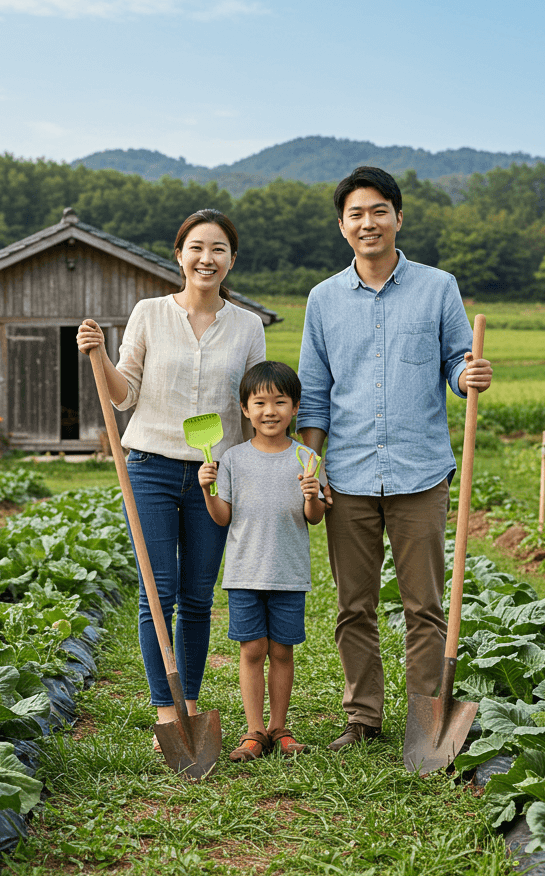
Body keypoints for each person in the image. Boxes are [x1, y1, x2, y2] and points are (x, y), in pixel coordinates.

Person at [296, 165, 492, 751]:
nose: (368, 222)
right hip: (349, 473)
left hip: (419, 470)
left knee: (423, 605)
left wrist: (468, 373)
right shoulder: (323, 300)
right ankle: (363, 718)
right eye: (356, 213)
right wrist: (310, 468)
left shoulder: (437, 287)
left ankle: (425, 720)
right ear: (342, 226)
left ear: (398, 217)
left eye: (379, 210)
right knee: (353, 606)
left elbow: (457, 360)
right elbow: (313, 390)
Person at [76, 208, 266, 746]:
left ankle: (191, 701)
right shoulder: (149, 313)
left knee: (199, 595)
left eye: (219, 249)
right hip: (151, 467)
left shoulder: (248, 326)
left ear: (232, 260)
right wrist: (99, 356)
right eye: (197, 248)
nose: (207, 258)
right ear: (179, 255)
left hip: (215, 473)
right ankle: (165, 709)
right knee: (157, 593)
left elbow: (252, 404)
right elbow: (123, 393)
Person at [198, 361, 325, 761]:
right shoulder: (233, 459)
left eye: (280, 402)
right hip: (245, 572)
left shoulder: (307, 458)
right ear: (244, 409)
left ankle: (279, 728)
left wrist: (312, 494)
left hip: (289, 572)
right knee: (252, 649)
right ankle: (254, 732)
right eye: (260, 402)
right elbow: (223, 516)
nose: (270, 411)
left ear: (295, 408)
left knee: (283, 651)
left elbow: (315, 518)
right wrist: (207, 489)